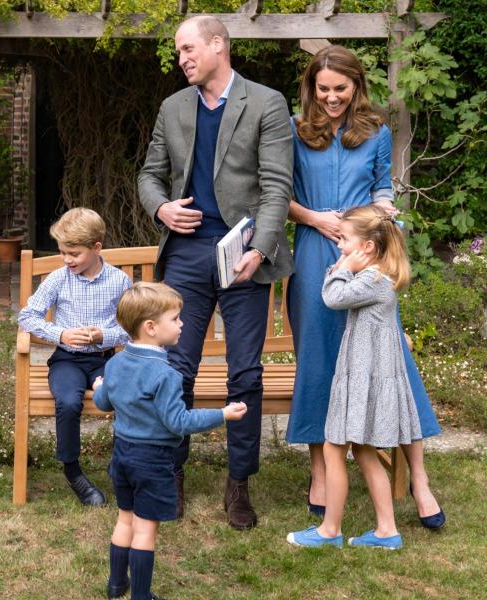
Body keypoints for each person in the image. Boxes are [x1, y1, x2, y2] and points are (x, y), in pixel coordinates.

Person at [138, 15, 294, 529]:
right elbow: (148, 174)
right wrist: (161, 208)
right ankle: (172, 474)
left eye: (188, 49)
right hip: (185, 255)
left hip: (244, 256)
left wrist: (263, 248)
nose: (181, 58)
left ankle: (239, 483)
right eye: (179, 51)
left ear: (218, 45)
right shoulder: (172, 107)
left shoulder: (266, 103)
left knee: (244, 373)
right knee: (175, 370)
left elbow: (276, 188)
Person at [284, 45, 445, 529]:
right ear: (312, 87)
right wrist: (315, 218)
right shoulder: (293, 130)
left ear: (357, 86)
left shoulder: (375, 131)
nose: (332, 98)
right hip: (315, 252)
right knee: (319, 357)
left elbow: (382, 185)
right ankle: (319, 470)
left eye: (341, 89)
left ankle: (418, 478)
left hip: (367, 254)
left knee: (391, 357)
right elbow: (279, 194)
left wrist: (382, 209)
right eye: (324, 88)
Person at [93, 282, 248, 599]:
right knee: (146, 528)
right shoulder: (167, 375)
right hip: (152, 461)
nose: (181, 324)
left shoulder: (116, 363)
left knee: (125, 519)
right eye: (176, 318)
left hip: (121, 455)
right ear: (151, 328)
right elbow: (179, 421)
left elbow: (103, 403)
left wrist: (99, 386)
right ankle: (141, 595)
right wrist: (222, 414)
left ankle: (115, 585)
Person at [287, 205, 420, 550]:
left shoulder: (371, 280)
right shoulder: (377, 277)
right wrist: (347, 261)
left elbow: (331, 297)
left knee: (333, 448)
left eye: (346, 240)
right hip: (364, 376)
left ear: (369, 248)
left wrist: (341, 266)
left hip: (362, 380)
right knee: (363, 451)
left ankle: (329, 531)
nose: (340, 246)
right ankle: (387, 531)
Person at [17, 208, 132, 506]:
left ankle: (120, 466)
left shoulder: (119, 281)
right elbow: (27, 317)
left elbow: (132, 328)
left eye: (74, 253)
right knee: (68, 402)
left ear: (96, 247)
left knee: (123, 397)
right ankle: (73, 471)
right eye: (62, 252)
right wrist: (60, 334)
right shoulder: (58, 279)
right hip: (67, 360)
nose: (67, 260)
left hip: (106, 360)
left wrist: (102, 336)